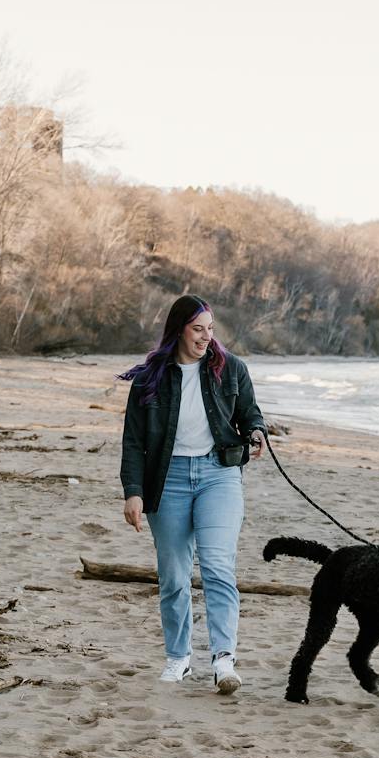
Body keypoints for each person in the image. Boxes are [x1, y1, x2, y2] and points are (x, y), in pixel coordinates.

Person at [118, 295, 267, 694]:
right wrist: (133, 492)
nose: (206, 338)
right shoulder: (152, 377)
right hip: (167, 480)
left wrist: (256, 433)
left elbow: (251, 414)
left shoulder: (230, 368)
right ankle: (179, 658)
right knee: (173, 575)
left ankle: (223, 660)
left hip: (219, 474)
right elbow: (133, 441)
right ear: (179, 329)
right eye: (198, 329)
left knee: (217, 565)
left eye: (211, 329)